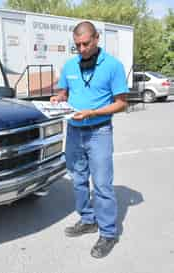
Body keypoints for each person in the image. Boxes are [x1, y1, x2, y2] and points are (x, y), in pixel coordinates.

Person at [51, 21, 128, 259]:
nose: (82, 49)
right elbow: (64, 92)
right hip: (74, 131)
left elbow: (122, 103)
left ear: (96, 38)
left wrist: (93, 113)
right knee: (78, 179)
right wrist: (57, 98)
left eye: (86, 43)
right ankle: (87, 219)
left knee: (103, 185)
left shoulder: (113, 66)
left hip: (99, 132)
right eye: (77, 45)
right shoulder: (70, 65)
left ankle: (108, 232)